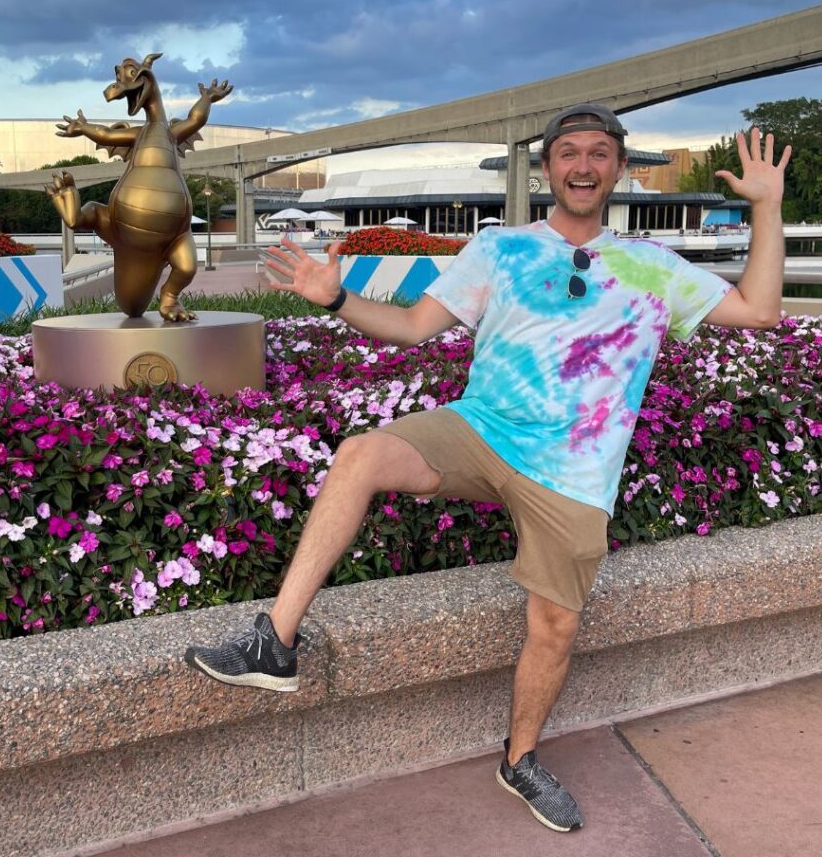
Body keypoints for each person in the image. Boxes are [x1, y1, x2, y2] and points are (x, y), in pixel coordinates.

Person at [184, 104, 790, 832]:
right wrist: (337, 297)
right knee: (361, 454)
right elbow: (412, 327)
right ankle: (274, 642)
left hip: (575, 471)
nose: (584, 165)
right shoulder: (500, 250)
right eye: (569, 152)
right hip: (482, 431)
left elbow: (760, 311)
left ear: (619, 169)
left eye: (600, 153)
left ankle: (521, 760)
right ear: (545, 169)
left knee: (555, 627)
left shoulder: (652, 266)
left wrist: (769, 209)